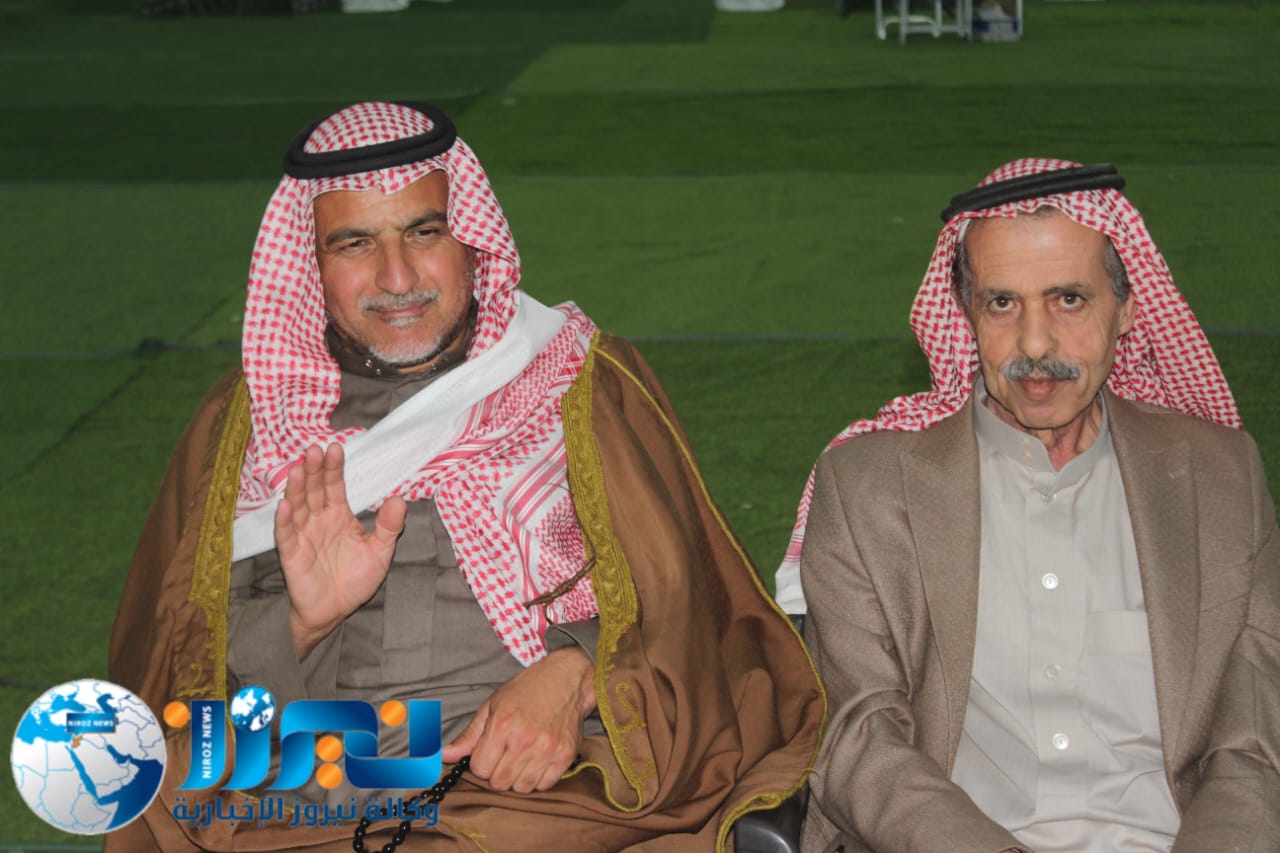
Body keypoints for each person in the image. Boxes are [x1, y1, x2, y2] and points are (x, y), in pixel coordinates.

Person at [106, 100, 822, 852]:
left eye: (425, 232)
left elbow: (691, 605)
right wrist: (303, 621)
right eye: (355, 244)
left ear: (473, 241)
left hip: (543, 788)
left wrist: (576, 672)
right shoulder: (244, 428)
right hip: (305, 799)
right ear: (309, 266)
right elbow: (171, 678)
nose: (397, 277)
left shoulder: (578, 382)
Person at [776, 158, 1279, 851]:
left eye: (1068, 299)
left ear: (1127, 309)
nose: (1035, 343)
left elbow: (1252, 749)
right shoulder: (868, 488)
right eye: (1002, 304)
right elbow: (858, 739)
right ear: (966, 315)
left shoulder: (1220, 481)